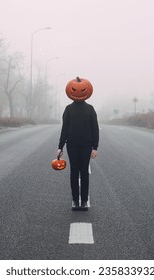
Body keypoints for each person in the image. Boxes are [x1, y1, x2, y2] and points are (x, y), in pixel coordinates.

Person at [57, 77, 99, 211]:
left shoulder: (90, 109)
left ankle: (84, 200)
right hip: (72, 145)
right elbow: (65, 128)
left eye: (82, 89)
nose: (78, 92)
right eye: (74, 89)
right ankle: (75, 200)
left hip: (87, 145)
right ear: (70, 91)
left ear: (87, 91)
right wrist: (60, 146)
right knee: (74, 172)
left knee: (84, 172)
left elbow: (95, 128)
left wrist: (95, 147)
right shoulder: (68, 109)